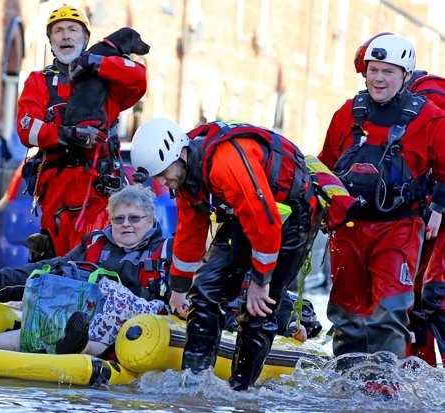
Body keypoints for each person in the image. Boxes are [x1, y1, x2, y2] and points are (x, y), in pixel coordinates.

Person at [129, 118, 321, 390]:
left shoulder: (224, 162)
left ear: (178, 154)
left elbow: (264, 222)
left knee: (258, 310)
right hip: (248, 214)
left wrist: (260, 281)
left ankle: (241, 391)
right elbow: (189, 231)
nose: (162, 182)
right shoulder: (184, 176)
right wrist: (179, 288)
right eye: (157, 177)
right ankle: (194, 382)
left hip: (292, 213)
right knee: (205, 290)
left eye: (163, 173)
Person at [318, 34, 445, 360]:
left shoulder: (430, 119)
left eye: (388, 71)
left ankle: (383, 391)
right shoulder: (348, 112)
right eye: (374, 69)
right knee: (347, 316)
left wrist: (438, 207)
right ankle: (348, 388)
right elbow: (325, 167)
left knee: (389, 312)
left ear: (405, 75)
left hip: (398, 228)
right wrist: (321, 207)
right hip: (349, 228)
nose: (378, 78)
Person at [0, 184, 172, 356]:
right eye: (119, 219)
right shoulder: (94, 244)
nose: (126, 224)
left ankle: (79, 344)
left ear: (151, 220)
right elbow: (48, 270)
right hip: (79, 319)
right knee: (58, 288)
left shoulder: (165, 252)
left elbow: (183, 299)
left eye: (134, 218)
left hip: (133, 332)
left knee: (114, 299)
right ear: (110, 220)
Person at [16, 5, 147, 256]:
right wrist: (66, 134)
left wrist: (97, 63)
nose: (66, 36)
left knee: (99, 257)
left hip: (101, 188)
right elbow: (26, 130)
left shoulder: (106, 75)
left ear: (86, 38)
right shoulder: (38, 81)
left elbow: (138, 79)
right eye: (59, 31)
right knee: (57, 262)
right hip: (58, 191)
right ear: (51, 41)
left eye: (73, 30)